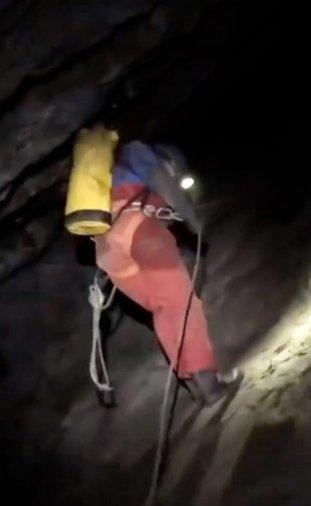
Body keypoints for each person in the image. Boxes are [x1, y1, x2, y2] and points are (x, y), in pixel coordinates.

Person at [94, 140, 237, 404]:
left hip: (108, 253)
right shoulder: (138, 151)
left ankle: (198, 383)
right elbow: (168, 187)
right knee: (184, 306)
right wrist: (195, 226)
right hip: (139, 233)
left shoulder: (106, 176)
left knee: (165, 311)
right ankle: (209, 386)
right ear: (170, 162)